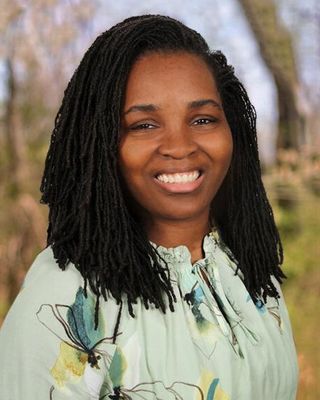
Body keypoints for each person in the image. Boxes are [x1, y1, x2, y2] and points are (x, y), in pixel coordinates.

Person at [0, 14, 298, 400]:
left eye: (203, 119)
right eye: (144, 125)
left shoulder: (251, 273)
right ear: (101, 141)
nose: (180, 146)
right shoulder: (67, 295)